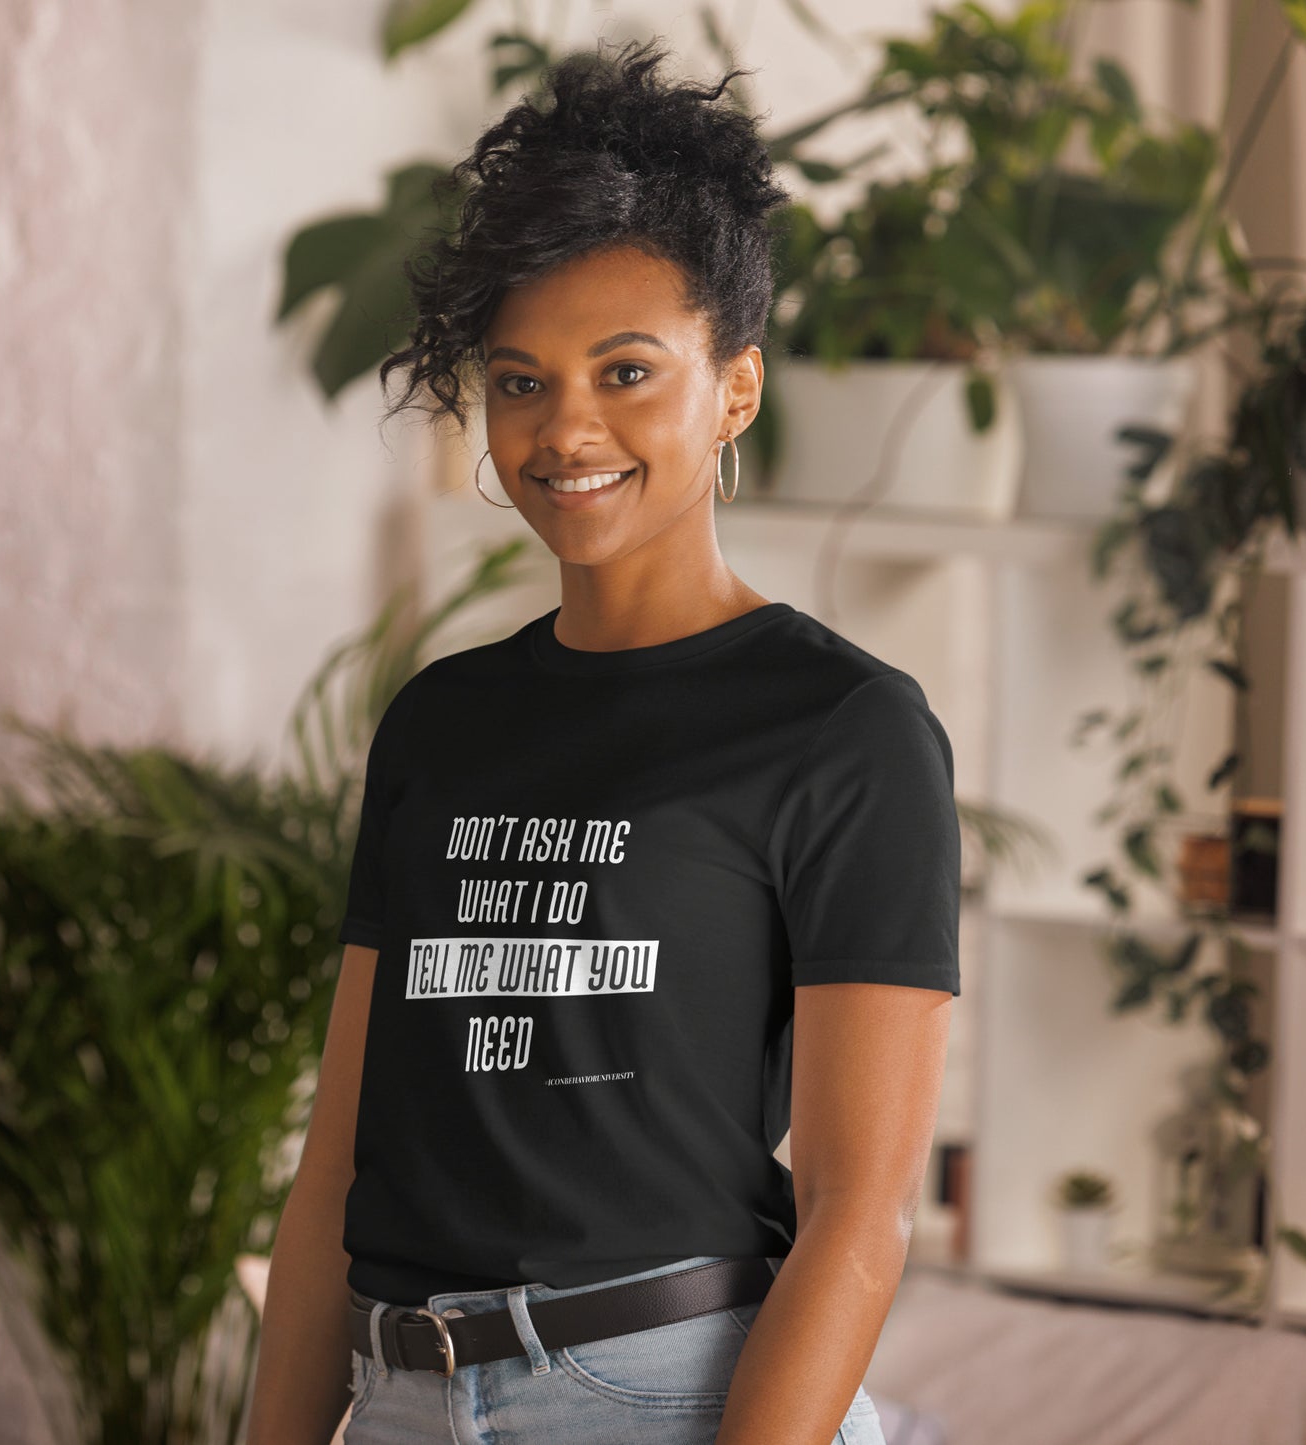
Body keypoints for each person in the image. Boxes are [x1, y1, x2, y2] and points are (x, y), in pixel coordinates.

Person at [245, 35, 959, 1445]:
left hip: (666, 1395)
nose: (565, 427)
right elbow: (340, 1161)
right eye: (519, 381)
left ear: (733, 388)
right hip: (400, 1398)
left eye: (626, 370)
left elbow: (857, 1214)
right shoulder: (442, 721)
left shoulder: (841, 728)